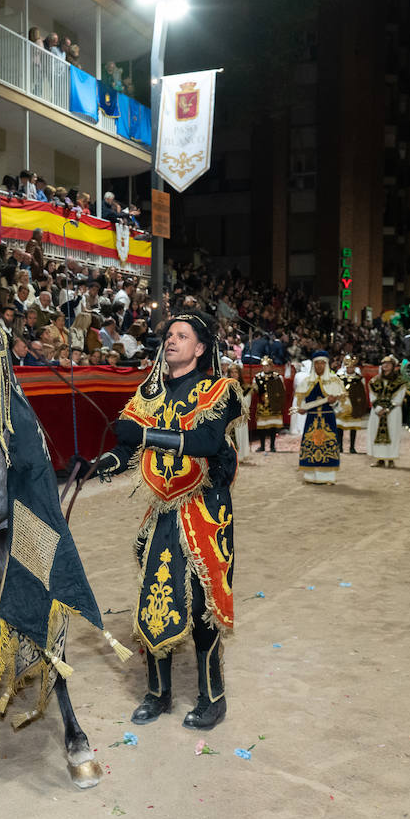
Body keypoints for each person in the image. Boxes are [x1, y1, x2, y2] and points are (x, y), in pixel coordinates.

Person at [91, 311, 238, 730]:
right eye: (168, 335)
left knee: (201, 607)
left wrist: (143, 436)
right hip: (164, 511)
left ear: (201, 347)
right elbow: (127, 436)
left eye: (182, 335)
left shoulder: (221, 390)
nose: (171, 341)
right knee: (156, 598)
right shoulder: (149, 392)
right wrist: (112, 459)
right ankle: (158, 693)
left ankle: (213, 698)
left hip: (206, 511)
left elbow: (206, 442)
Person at [293, 351, 344, 485]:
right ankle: (310, 476)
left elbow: (342, 403)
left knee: (328, 445)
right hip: (312, 418)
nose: (319, 366)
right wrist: (302, 409)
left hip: (328, 418)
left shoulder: (334, 381)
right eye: (317, 363)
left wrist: (334, 402)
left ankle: (327, 477)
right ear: (313, 365)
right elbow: (300, 403)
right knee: (311, 445)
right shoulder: (306, 382)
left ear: (326, 364)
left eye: (322, 363)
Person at [366, 355, 407, 468]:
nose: (386, 366)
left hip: (393, 412)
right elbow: (372, 396)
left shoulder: (400, 382)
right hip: (377, 412)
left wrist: (388, 409)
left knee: (393, 433)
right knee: (375, 433)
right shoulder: (375, 381)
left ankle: (391, 459)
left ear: (393, 366)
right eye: (384, 363)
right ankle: (379, 459)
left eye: (388, 364)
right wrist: (378, 409)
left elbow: (399, 398)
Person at [335, 354, 368, 454]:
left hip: (354, 405)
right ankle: (339, 446)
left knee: (353, 426)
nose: (350, 369)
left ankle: (352, 447)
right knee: (340, 426)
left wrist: (361, 405)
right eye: (348, 367)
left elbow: (363, 393)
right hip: (342, 404)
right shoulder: (339, 378)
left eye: (352, 367)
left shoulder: (359, 379)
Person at [251, 356, 284, 452]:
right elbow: (255, 389)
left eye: (267, 366)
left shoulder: (277, 377)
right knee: (261, 426)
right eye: (264, 366)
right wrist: (253, 389)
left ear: (271, 366)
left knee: (273, 426)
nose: (265, 368)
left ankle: (272, 446)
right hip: (262, 404)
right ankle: (262, 446)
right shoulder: (257, 377)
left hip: (273, 405)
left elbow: (281, 391)